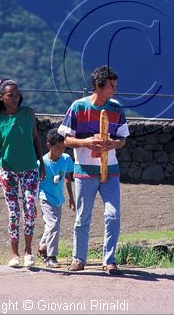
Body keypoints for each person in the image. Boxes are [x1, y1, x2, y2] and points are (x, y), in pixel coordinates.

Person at [58, 65, 129, 274]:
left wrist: (114, 144)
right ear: (98, 87)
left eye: (115, 86)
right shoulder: (78, 107)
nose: (115, 90)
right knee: (83, 216)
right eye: (111, 86)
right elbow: (65, 139)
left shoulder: (117, 108)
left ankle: (109, 260)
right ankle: (79, 259)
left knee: (113, 215)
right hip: (84, 171)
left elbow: (123, 139)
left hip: (111, 170)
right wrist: (86, 142)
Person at [0, 77, 46, 267]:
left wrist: (41, 164)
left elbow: (36, 139)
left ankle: (29, 252)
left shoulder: (28, 113)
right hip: (8, 171)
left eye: (17, 94)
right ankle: (14, 254)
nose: (15, 97)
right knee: (13, 213)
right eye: (10, 95)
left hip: (30, 169)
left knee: (29, 209)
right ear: (1, 97)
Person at [37, 128, 75, 267]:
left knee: (52, 225)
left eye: (63, 147)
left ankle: (42, 246)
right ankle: (50, 256)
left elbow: (67, 178)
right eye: (57, 148)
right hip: (45, 197)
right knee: (53, 225)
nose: (61, 151)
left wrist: (71, 198)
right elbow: (36, 184)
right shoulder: (42, 163)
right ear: (49, 146)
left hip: (58, 199)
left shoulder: (66, 159)